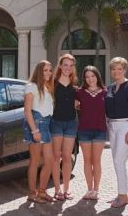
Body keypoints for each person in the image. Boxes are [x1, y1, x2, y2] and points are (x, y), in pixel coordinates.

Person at [23, 60, 57, 204]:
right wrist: (34, 130)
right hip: (37, 124)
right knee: (35, 161)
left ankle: (42, 191)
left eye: (50, 70)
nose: (48, 73)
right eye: (45, 70)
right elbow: (27, 110)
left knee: (50, 161)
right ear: (39, 71)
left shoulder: (47, 88)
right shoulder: (31, 86)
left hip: (47, 124)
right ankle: (32, 193)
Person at [105, 57, 128, 208]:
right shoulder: (110, 87)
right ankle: (121, 194)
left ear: (124, 69)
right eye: (113, 69)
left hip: (126, 125)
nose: (116, 71)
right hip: (112, 126)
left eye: (119, 69)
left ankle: (123, 197)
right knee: (117, 161)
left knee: (119, 161)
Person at [75, 66, 107, 200]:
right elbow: (74, 106)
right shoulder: (80, 92)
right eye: (87, 77)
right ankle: (89, 189)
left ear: (97, 76)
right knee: (87, 160)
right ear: (84, 79)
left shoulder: (105, 91)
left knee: (96, 160)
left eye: (92, 76)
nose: (90, 79)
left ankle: (96, 190)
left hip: (100, 130)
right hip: (84, 131)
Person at [50, 54, 78, 201]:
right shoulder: (52, 84)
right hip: (56, 123)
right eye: (65, 65)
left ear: (73, 68)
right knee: (56, 156)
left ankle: (66, 189)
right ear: (60, 66)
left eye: (70, 65)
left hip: (71, 123)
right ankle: (57, 189)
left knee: (67, 157)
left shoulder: (75, 86)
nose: (68, 68)